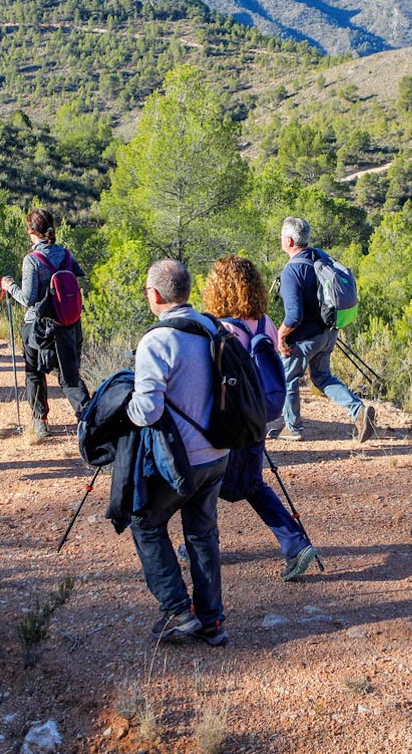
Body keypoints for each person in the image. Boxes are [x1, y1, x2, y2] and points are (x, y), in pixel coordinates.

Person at [128, 259, 230, 646]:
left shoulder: (157, 340)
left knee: (146, 523)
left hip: (179, 460)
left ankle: (176, 610)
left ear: (155, 294)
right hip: (217, 453)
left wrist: (125, 410)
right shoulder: (211, 327)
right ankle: (212, 622)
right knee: (203, 535)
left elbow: (148, 410)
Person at [202, 254, 320, 581]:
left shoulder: (220, 328)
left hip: (228, 422)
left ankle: (198, 544)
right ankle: (295, 545)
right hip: (259, 416)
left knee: (203, 482)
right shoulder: (265, 321)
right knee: (250, 484)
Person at [275, 216, 374, 443]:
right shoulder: (320, 256)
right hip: (328, 333)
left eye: (282, 237)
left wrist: (281, 336)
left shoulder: (291, 271)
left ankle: (293, 428)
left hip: (304, 339)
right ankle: (358, 411)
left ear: (289, 241)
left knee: (288, 378)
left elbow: (294, 316)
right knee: (322, 378)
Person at [0, 208, 87, 435]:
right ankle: (88, 418)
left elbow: (28, 299)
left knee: (33, 372)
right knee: (70, 377)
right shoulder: (66, 255)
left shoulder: (32, 260)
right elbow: (77, 275)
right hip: (68, 324)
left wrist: (9, 286)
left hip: (39, 328)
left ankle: (40, 421)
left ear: (31, 231)